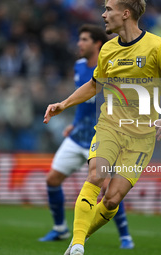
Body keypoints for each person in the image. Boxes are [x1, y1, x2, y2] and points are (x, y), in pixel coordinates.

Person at [43, 0, 161, 254]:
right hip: (110, 126)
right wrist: (64, 104)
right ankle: (78, 244)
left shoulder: (158, 47)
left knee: (112, 199)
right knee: (96, 175)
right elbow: (94, 85)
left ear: (125, 13)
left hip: (142, 137)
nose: (103, 14)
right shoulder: (108, 49)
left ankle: (78, 237)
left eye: (108, 9)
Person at [39, 24, 135, 249]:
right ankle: (60, 228)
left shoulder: (112, 64)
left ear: (97, 44)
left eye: (84, 40)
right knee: (52, 178)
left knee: (108, 189)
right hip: (78, 136)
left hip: (103, 136)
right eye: (79, 39)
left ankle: (125, 236)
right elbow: (84, 99)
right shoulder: (79, 66)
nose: (79, 44)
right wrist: (73, 123)